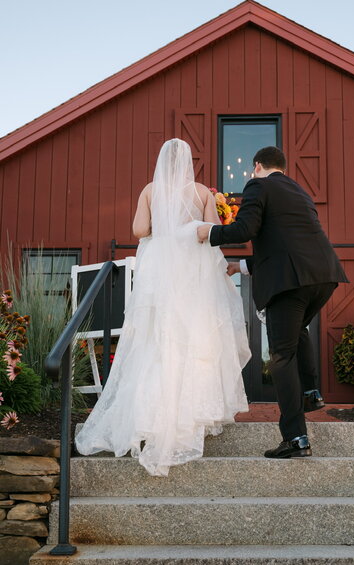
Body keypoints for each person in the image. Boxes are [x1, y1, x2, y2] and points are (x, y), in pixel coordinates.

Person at [75, 138, 251, 476]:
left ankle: (148, 414)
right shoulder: (201, 193)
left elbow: (140, 230)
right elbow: (211, 232)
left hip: (159, 271)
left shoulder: (150, 190)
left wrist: (164, 226)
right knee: (194, 333)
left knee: (155, 337)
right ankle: (192, 410)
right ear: (188, 163)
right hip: (191, 274)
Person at [198, 146, 348, 459]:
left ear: (257, 167)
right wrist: (238, 267)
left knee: (281, 356)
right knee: (299, 331)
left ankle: (295, 438)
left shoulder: (258, 186)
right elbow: (284, 243)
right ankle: (310, 391)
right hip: (323, 275)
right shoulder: (298, 191)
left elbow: (245, 229)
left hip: (290, 283)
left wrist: (207, 232)